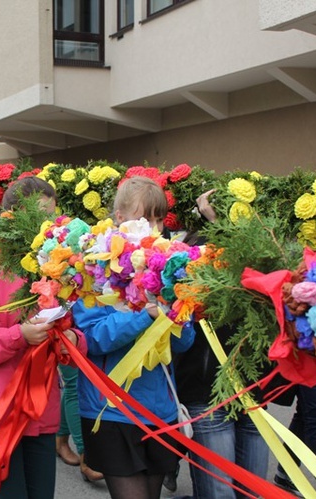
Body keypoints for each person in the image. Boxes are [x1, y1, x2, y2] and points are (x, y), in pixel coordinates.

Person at [0, 177, 87, 498]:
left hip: (40, 416)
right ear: (11, 218)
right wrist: (20, 335)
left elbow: (77, 339)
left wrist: (71, 339)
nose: (48, 226)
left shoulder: (56, 276)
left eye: (52, 217)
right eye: (39, 217)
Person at [72, 176, 195, 499]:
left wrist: (177, 313)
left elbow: (184, 345)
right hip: (111, 409)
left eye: (158, 219)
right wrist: (145, 316)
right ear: (119, 216)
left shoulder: (168, 270)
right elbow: (93, 339)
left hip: (159, 411)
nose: (152, 227)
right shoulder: (94, 268)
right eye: (144, 217)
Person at [175, 188, 270, 499]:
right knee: (219, 492)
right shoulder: (196, 253)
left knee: (253, 490)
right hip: (207, 390)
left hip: (254, 389)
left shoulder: (268, 254)